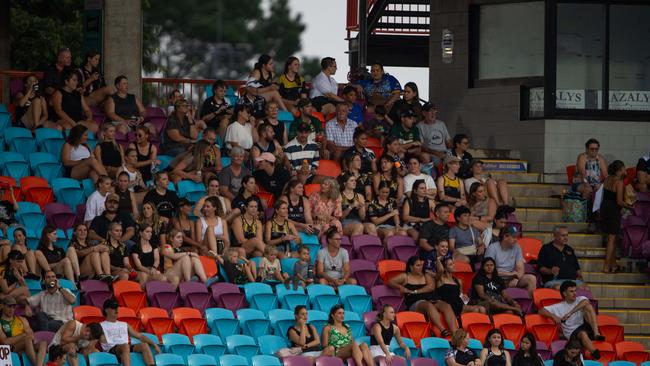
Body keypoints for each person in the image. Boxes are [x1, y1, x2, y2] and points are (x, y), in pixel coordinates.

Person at [388, 256, 457, 336]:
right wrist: (401, 287)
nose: (420, 267)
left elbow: (430, 287)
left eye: (421, 265)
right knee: (428, 305)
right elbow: (390, 282)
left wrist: (415, 291)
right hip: (415, 303)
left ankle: (455, 332)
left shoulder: (426, 275)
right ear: (411, 267)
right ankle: (442, 330)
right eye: (418, 265)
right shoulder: (405, 276)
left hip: (431, 299)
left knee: (446, 306)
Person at [539, 281, 605, 359]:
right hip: (572, 334)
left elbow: (586, 302)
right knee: (582, 334)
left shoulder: (580, 299)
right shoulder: (559, 306)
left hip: (584, 327)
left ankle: (596, 333)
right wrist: (554, 317)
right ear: (564, 293)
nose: (575, 293)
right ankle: (594, 353)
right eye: (571, 291)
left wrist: (570, 313)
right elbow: (541, 310)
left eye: (575, 290)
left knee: (589, 307)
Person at [100, 299, 160, 366]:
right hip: (111, 351)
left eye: (116, 307)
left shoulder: (124, 324)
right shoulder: (101, 325)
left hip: (125, 349)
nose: (116, 310)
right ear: (106, 310)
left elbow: (140, 336)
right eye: (113, 308)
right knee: (125, 346)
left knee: (144, 345)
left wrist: (155, 345)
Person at [484, 226, 537, 295]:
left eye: (516, 237)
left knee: (532, 279)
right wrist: (510, 274)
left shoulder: (517, 247)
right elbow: (489, 269)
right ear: (505, 237)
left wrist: (517, 278)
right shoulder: (492, 248)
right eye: (513, 237)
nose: (516, 240)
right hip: (495, 278)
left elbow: (520, 268)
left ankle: (527, 303)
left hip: (511, 279)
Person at [600, 160, 631, 273]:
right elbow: (619, 201)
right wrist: (630, 207)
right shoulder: (619, 182)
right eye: (624, 168)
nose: (625, 170)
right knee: (611, 240)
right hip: (613, 210)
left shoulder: (608, 178)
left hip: (604, 208)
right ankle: (606, 266)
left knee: (611, 238)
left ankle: (613, 265)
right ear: (620, 169)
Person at [0, 297, 45, 366]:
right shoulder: (0, 323)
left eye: (14, 306)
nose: (12, 309)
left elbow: (32, 336)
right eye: (9, 306)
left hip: (26, 345)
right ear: (2, 306)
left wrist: (25, 337)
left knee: (43, 343)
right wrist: (23, 335)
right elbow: (5, 342)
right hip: (12, 349)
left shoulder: (22, 319)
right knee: (27, 339)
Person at [52, 68, 98, 133]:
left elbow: (87, 110)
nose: (77, 82)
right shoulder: (58, 93)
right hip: (63, 120)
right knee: (69, 127)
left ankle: (84, 142)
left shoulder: (78, 94)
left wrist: (89, 118)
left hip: (78, 120)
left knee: (94, 127)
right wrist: (72, 123)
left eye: (77, 80)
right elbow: (59, 111)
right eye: (74, 80)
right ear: (66, 81)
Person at [339, 172, 376, 236]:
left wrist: (361, 208)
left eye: (355, 180)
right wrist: (351, 206)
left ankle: (372, 245)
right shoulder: (339, 196)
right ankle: (355, 245)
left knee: (371, 226)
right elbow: (340, 218)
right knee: (359, 226)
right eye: (351, 181)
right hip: (344, 223)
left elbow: (362, 218)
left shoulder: (360, 196)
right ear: (345, 183)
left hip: (358, 221)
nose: (354, 182)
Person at [417, 102, 451, 166]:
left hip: (444, 152)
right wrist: (436, 153)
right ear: (424, 113)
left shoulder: (441, 124)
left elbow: (448, 141)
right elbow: (422, 146)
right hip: (432, 154)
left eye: (434, 110)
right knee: (435, 160)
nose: (433, 113)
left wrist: (450, 151)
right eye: (430, 111)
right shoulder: (419, 126)